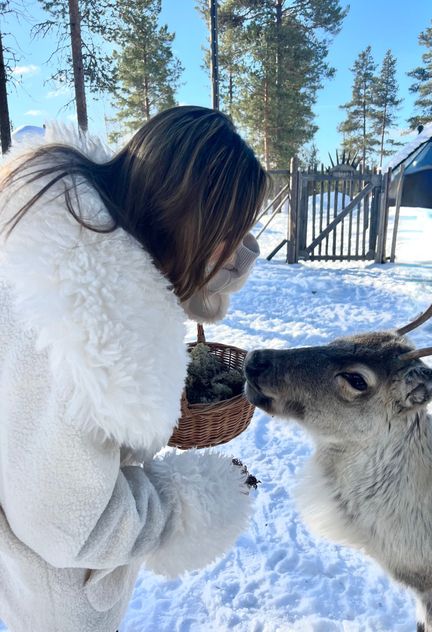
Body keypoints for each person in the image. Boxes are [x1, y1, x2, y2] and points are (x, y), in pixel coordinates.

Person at [0, 106, 267, 632]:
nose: (231, 250)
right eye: (226, 233)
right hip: (61, 604)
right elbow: (70, 525)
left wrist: (213, 264)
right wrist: (199, 500)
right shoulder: (94, 334)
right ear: (192, 219)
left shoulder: (64, 230)